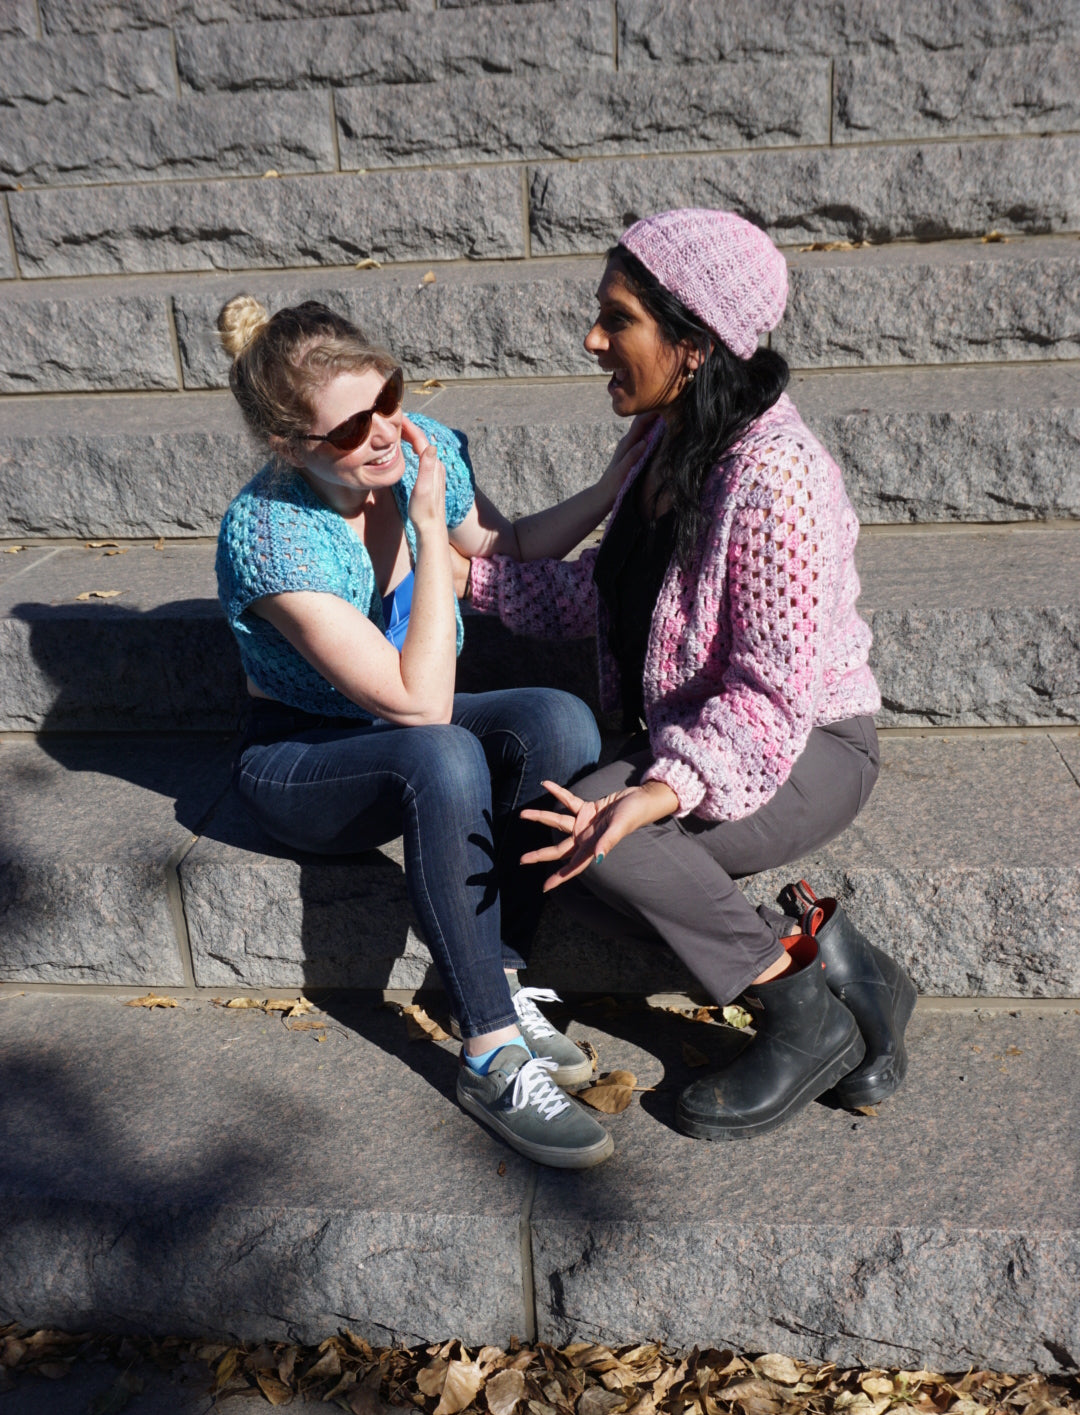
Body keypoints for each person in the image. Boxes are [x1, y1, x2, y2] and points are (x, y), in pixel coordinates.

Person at [463, 209, 916, 1141]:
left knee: (613, 842)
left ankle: (801, 1015)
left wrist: (661, 790)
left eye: (617, 319)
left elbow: (770, 691)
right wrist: (455, 574)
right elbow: (612, 596)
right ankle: (827, 957)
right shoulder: (667, 444)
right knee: (566, 845)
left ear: (695, 340)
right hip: (699, 737)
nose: (593, 339)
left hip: (805, 744)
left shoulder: (777, 478)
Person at [214, 296, 650, 1170]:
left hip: (410, 722)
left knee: (558, 721)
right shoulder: (272, 537)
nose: (381, 435)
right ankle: (490, 1053)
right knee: (442, 749)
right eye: (349, 430)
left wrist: (610, 487)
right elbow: (416, 707)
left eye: (389, 400)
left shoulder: (417, 445)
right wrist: (420, 526)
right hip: (305, 758)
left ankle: (495, 976)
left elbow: (508, 542)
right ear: (290, 447)